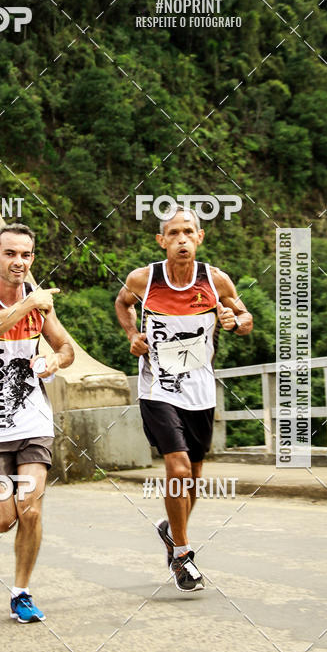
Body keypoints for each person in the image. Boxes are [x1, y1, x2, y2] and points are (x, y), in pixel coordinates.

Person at [115, 207, 253, 591]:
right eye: (173, 233)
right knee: (177, 471)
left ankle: (170, 531)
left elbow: (245, 318)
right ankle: (183, 556)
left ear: (200, 237)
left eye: (188, 232)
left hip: (200, 392)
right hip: (158, 390)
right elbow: (122, 303)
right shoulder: (144, 279)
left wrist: (235, 322)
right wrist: (131, 335)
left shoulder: (216, 280)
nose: (181, 239)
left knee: (192, 480)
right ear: (161, 240)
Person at [0, 223, 74, 622]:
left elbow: (66, 348)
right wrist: (28, 304)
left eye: (26, 255)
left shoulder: (40, 304)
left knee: (32, 509)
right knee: (3, 519)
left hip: (32, 421)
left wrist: (54, 361)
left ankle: (21, 592)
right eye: (10, 254)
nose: (19, 262)